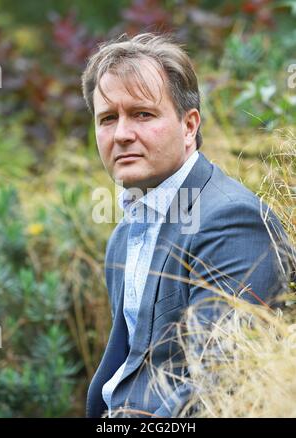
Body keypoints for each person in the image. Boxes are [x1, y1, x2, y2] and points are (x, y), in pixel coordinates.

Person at [81, 32, 290, 418]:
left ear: (189, 125)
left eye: (143, 114)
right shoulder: (124, 235)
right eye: (108, 118)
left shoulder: (233, 221)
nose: (122, 134)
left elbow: (221, 383)